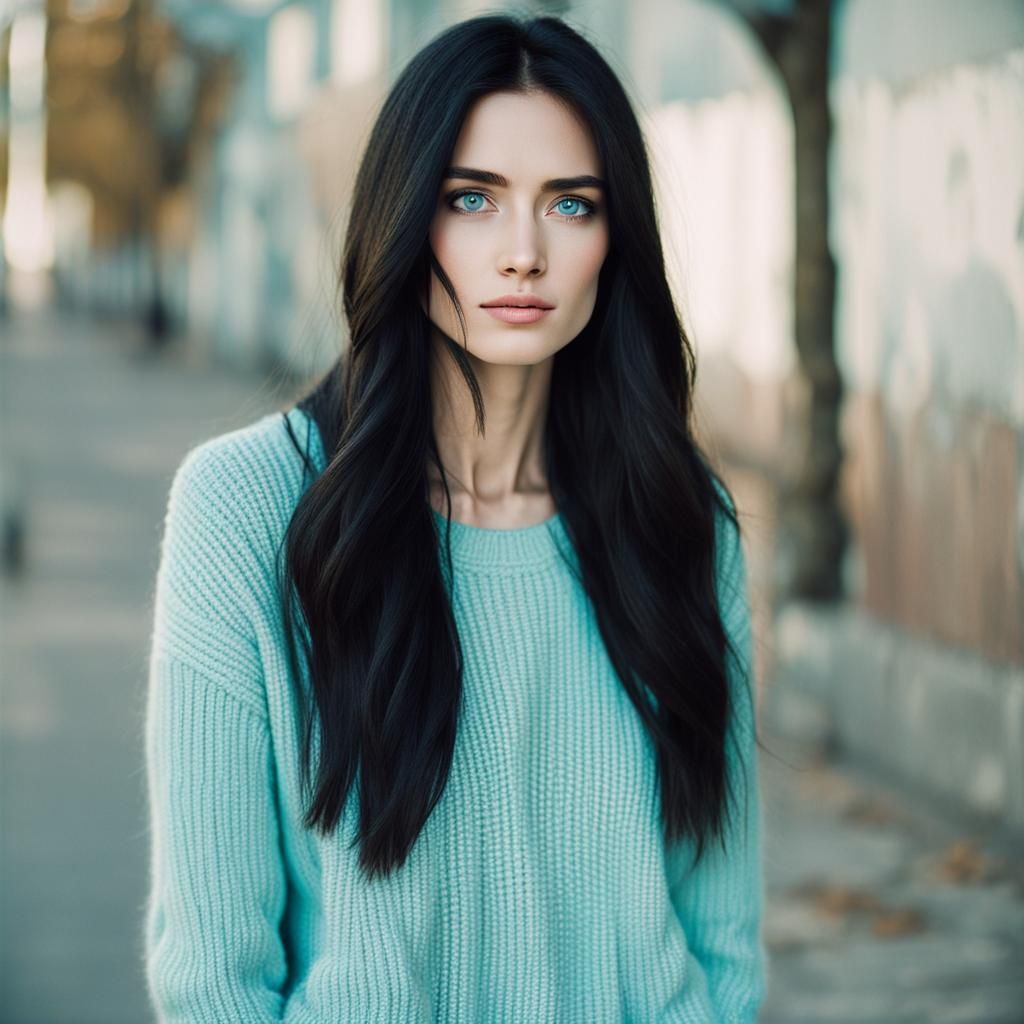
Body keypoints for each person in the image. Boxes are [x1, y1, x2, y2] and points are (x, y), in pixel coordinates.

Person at [143, 13, 767, 1023]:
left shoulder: (680, 521)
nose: (522, 252)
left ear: (616, 239)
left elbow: (722, 942)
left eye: (571, 205)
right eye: (470, 199)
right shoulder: (246, 508)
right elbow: (212, 975)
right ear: (402, 217)